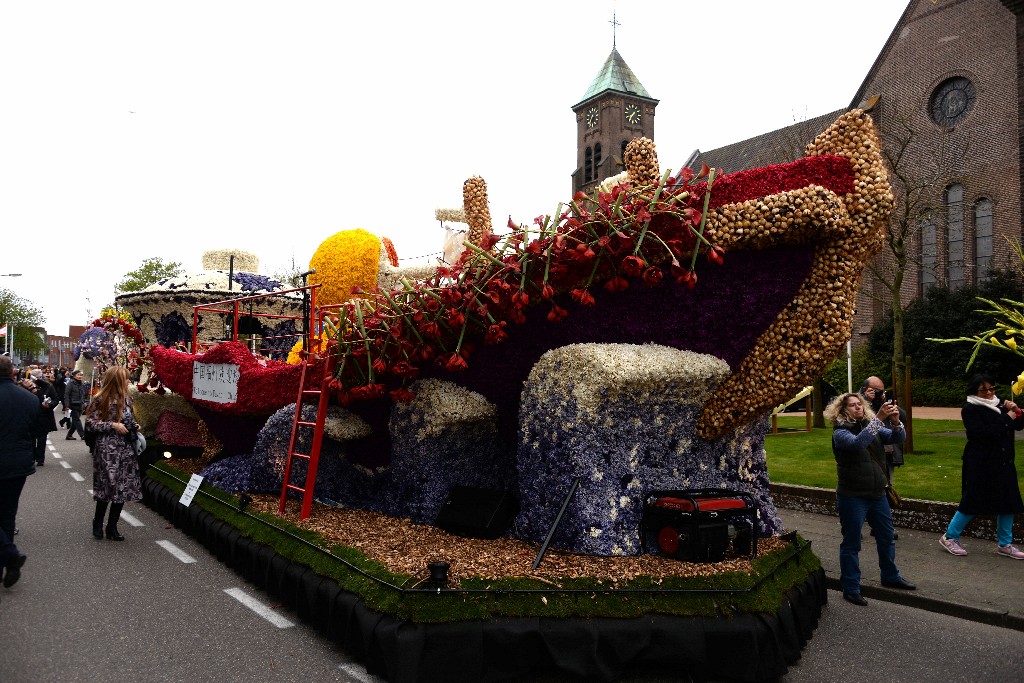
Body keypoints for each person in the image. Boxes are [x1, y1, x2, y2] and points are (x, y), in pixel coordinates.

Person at [825, 391, 916, 606]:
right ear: (842, 410)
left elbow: (897, 439)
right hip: (852, 496)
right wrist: (879, 419)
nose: (858, 407)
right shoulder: (840, 432)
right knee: (852, 542)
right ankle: (850, 586)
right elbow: (858, 443)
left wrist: (895, 422)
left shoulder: (870, 425)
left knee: (886, 537)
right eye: (852, 405)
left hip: (877, 494)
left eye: (859, 404)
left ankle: (890, 576)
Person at [938, 374, 1024, 559]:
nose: (989, 393)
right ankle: (950, 536)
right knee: (973, 499)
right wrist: (1008, 418)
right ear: (975, 391)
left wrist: (1017, 411)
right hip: (981, 462)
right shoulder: (970, 409)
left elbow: (1018, 426)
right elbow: (982, 434)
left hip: (1004, 460)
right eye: (984, 389)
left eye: (992, 388)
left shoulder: (1000, 403)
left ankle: (1005, 543)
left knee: (1008, 501)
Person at [84, 367, 142, 541]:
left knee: (123, 487)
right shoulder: (101, 398)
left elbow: (129, 418)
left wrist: (135, 425)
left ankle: (112, 527)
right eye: (125, 379)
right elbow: (90, 424)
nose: (128, 382)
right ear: (116, 380)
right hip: (107, 449)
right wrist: (112, 425)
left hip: (125, 448)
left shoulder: (127, 398)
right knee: (107, 486)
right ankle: (98, 523)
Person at [0, 355, 41, 588]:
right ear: (13, 373)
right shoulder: (28, 398)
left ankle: (10, 555)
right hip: (18, 464)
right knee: (7, 513)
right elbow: (36, 431)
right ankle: (5, 562)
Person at [860, 376, 907, 539]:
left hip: (887, 454)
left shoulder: (884, 402)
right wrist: (867, 401)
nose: (880, 393)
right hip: (866, 455)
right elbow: (861, 423)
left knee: (884, 489)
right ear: (866, 389)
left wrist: (893, 409)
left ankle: (880, 526)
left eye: (882, 390)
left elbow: (901, 424)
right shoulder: (856, 404)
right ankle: (855, 526)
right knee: (862, 491)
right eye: (876, 390)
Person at [28, 369, 59, 466]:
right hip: (31, 416)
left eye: (40, 377)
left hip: (44, 415)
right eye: (36, 377)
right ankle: (32, 457)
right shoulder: (27, 387)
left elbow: (56, 399)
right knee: (31, 439)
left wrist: (49, 405)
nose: (39, 379)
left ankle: (40, 459)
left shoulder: (48, 387)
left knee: (42, 439)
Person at [64, 369, 88, 440]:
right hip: (73, 404)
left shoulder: (80, 383)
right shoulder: (70, 383)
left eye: (81, 375)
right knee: (77, 420)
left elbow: (82, 394)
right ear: (74, 376)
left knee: (75, 421)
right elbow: (66, 394)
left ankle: (69, 435)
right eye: (78, 375)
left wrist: (84, 402)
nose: (80, 376)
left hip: (80, 404)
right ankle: (82, 435)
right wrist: (67, 405)